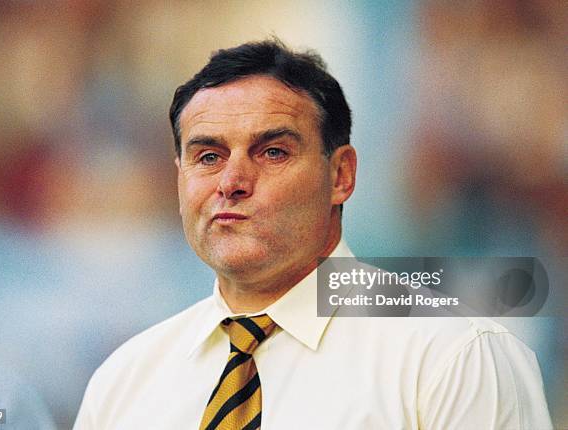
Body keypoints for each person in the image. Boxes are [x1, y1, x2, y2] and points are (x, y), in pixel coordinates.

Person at [74, 40, 552, 429]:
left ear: (341, 175)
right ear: (179, 178)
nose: (231, 182)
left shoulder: (453, 358)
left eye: (273, 152)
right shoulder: (123, 383)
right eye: (208, 157)